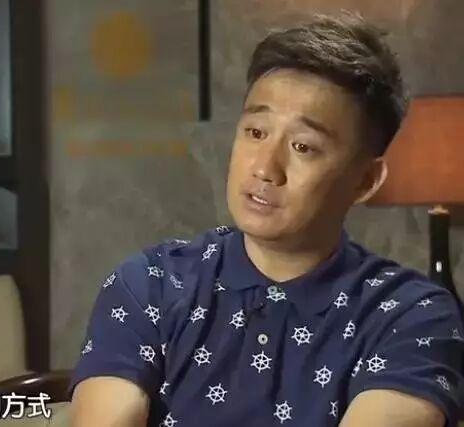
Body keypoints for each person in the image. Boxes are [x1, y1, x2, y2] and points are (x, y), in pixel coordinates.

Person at [67, 12, 464, 427]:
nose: (265, 168)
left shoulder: (410, 314)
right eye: (256, 132)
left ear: (365, 180)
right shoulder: (150, 284)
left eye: (303, 146)